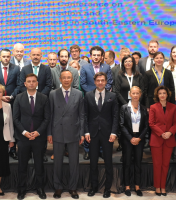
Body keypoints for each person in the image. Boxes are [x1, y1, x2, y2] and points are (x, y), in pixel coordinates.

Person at [13, 73, 50, 200]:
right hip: (23, 137)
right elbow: (15, 118)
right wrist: (24, 132)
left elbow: (46, 118)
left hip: (39, 138)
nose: (31, 83)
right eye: (29, 81)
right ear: (25, 84)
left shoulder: (44, 98)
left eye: (34, 81)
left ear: (37, 83)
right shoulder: (18, 98)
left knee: (39, 165)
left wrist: (38, 132)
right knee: (22, 165)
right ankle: (21, 189)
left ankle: (40, 188)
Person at [48, 70, 84, 199]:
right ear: (60, 79)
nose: (67, 80)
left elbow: (81, 115)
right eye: (64, 78)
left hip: (73, 132)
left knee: (74, 162)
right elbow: (50, 115)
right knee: (57, 161)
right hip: (57, 131)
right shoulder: (53, 94)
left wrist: (81, 133)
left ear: (72, 79)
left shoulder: (79, 94)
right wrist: (49, 133)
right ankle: (58, 187)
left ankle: (73, 188)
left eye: (69, 77)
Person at [84, 72, 119, 198]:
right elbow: (85, 115)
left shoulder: (112, 96)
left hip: (108, 134)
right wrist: (86, 131)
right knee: (93, 162)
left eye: (102, 80)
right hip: (92, 134)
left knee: (108, 162)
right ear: (94, 82)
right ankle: (93, 187)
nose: (100, 82)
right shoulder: (88, 95)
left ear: (106, 82)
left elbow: (115, 116)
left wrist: (114, 132)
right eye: (98, 80)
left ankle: (107, 189)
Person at [80, 46, 113, 160]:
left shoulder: (107, 67)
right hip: (89, 99)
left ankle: (101, 150)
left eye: (98, 55)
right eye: (94, 55)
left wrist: (101, 91)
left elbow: (109, 83)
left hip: (104, 99)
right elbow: (83, 83)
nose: (96, 57)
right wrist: (93, 93)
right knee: (89, 123)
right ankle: (88, 150)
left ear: (102, 56)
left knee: (102, 125)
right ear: (91, 56)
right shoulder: (84, 67)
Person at [0, 49, 20, 160]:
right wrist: (0, 97)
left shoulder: (16, 68)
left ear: (10, 57)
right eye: (3, 56)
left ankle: (12, 150)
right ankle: (0, 148)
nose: (6, 58)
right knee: (0, 124)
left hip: (13, 101)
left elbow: (19, 85)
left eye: (7, 56)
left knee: (12, 125)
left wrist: (11, 96)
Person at [120, 86, 148, 197]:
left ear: (140, 95)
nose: (135, 95)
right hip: (127, 140)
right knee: (127, 163)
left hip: (139, 139)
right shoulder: (124, 108)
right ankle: (127, 186)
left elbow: (146, 126)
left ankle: (137, 186)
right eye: (133, 93)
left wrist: (139, 138)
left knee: (138, 163)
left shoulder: (144, 108)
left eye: (137, 93)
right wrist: (130, 138)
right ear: (130, 94)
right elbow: (121, 125)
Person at [149, 86, 176, 196]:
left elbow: (175, 123)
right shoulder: (153, 107)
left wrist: (170, 132)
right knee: (157, 164)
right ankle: (157, 187)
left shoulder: (174, 107)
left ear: (167, 94)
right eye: (160, 93)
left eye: (164, 93)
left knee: (165, 165)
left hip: (169, 139)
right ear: (157, 95)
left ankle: (163, 186)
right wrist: (161, 133)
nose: (162, 95)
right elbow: (151, 123)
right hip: (157, 139)